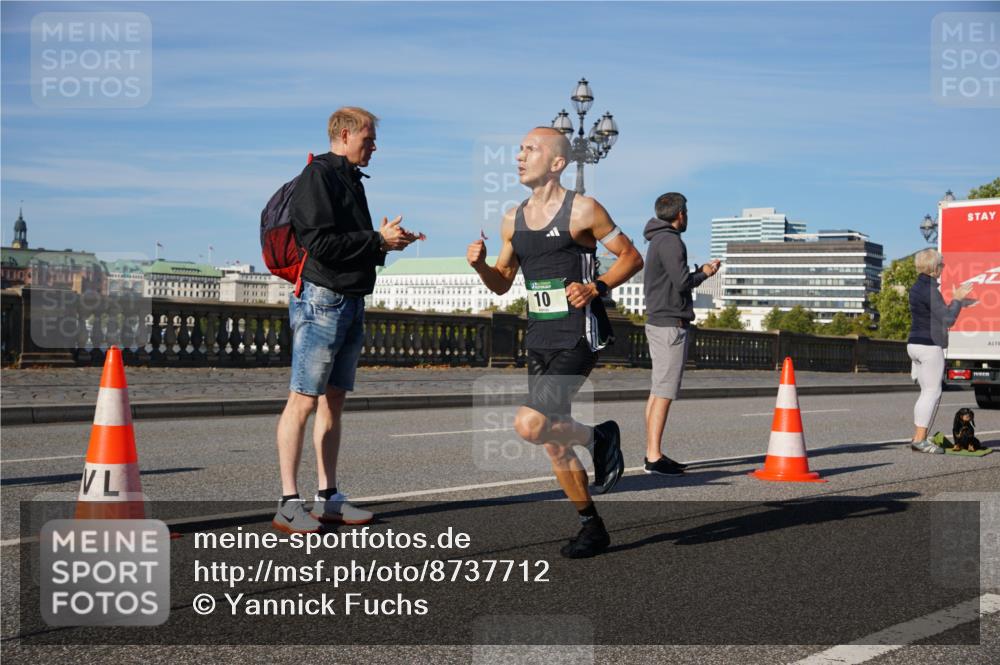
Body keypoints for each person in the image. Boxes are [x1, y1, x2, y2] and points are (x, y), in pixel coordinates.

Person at [467, 127, 643, 558]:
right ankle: (592, 526)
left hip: (578, 335)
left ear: (558, 162)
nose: (520, 156)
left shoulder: (583, 210)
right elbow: (502, 284)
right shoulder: (513, 218)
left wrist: (596, 286)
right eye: (519, 149)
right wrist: (481, 266)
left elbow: (632, 257)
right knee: (550, 438)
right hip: (540, 338)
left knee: (528, 424)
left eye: (531, 149)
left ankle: (598, 438)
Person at [273, 107, 419, 533]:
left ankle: (328, 497)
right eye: (368, 139)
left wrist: (385, 243)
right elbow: (319, 243)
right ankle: (287, 501)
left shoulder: (350, 178)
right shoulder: (318, 176)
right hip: (322, 301)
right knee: (301, 401)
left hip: (350, 300)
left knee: (333, 400)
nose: (374, 146)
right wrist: (377, 239)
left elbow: (348, 244)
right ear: (343, 135)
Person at [642, 193, 720, 475]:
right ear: (680, 214)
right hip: (670, 325)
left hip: (657, 321)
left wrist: (696, 272)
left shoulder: (656, 240)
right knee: (664, 392)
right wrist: (706, 273)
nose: (686, 216)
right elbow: (682, 282)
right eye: (686, 211)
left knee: (657, 391)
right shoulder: (672, 241)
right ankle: (654, 456)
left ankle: (651, 452)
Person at [906, 248, 972, 453]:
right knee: (932, 392)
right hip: (929, 345)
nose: (943, 268)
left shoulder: (917, 287)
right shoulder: (930, 290)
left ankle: (918, 435)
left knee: (925, 392)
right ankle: (920, 440)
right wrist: (958, 299)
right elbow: (948, 319)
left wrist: (955, 303)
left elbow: (933, 313)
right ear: (935, 268)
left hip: (914, 343)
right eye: (942, 265)